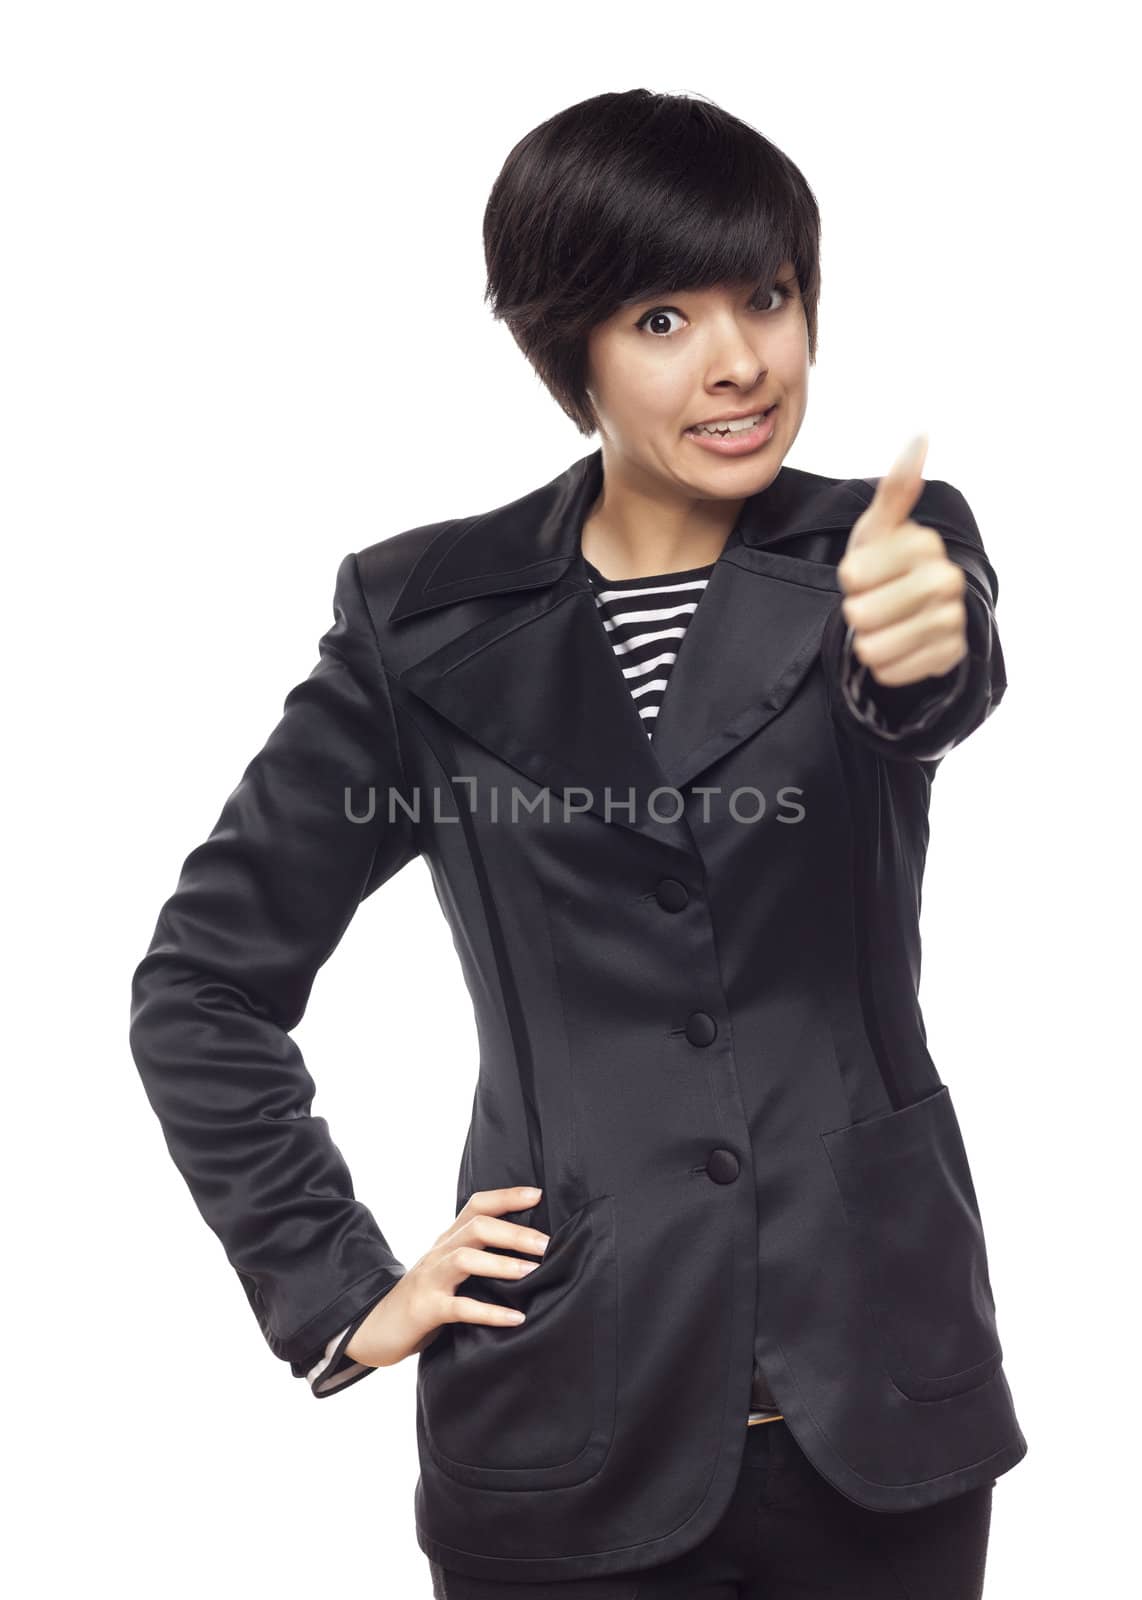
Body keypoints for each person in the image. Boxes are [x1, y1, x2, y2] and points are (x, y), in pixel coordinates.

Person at [130, 88, 1027, 1597]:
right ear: (571, 351)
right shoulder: (423, 621)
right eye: (660, 317)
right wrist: (343, 1286)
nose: (739, 359)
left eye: (767, 296)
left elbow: (927, 684)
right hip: (564, 1419)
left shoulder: (877, 550)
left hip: (881, 1400)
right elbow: (204, 985)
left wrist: (924, 641)